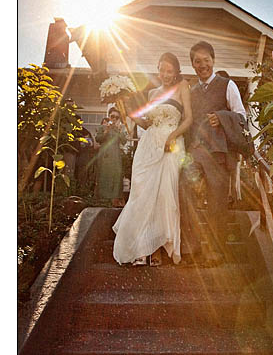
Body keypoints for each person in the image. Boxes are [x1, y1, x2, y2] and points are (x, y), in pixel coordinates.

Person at [112, 52, 193, 266]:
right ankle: (142, 246)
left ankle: (158, 247)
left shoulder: (183, 86)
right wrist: (130, 113)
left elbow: (189, 119)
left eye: (170, 70)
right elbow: (148, 122)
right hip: (149, 144)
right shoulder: (153, 93)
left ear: (176, 71)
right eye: (162, 69)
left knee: (165, 194)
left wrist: (172, 137)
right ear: (158, 69)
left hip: (172, 144)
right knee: (143, 192)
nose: (165, 74)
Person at [180, 41, 247, 267]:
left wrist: (222, 116)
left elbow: (241, 116)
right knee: (184, 189)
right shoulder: (191, 90)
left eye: (206, 60)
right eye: (197, 61)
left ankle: (215, 253)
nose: (202, 65)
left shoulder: (227, 85)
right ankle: (191, 247)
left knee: (217, 203)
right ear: (192, 64)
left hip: (219, 153)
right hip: (196, 151)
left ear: (213, 60)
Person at [95, 109, 127, 206]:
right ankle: (103, 200)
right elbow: (98, 139)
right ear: (109, 116)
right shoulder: (102, 127)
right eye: (112, 116)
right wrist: (106, 131)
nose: (114, 119)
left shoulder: (120, 128)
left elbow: (124, 141)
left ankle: (115, 199)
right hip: (105, 155)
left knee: (116, 175)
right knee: (104, 175)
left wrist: (118, 130)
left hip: (116, 155)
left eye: (117, 117)